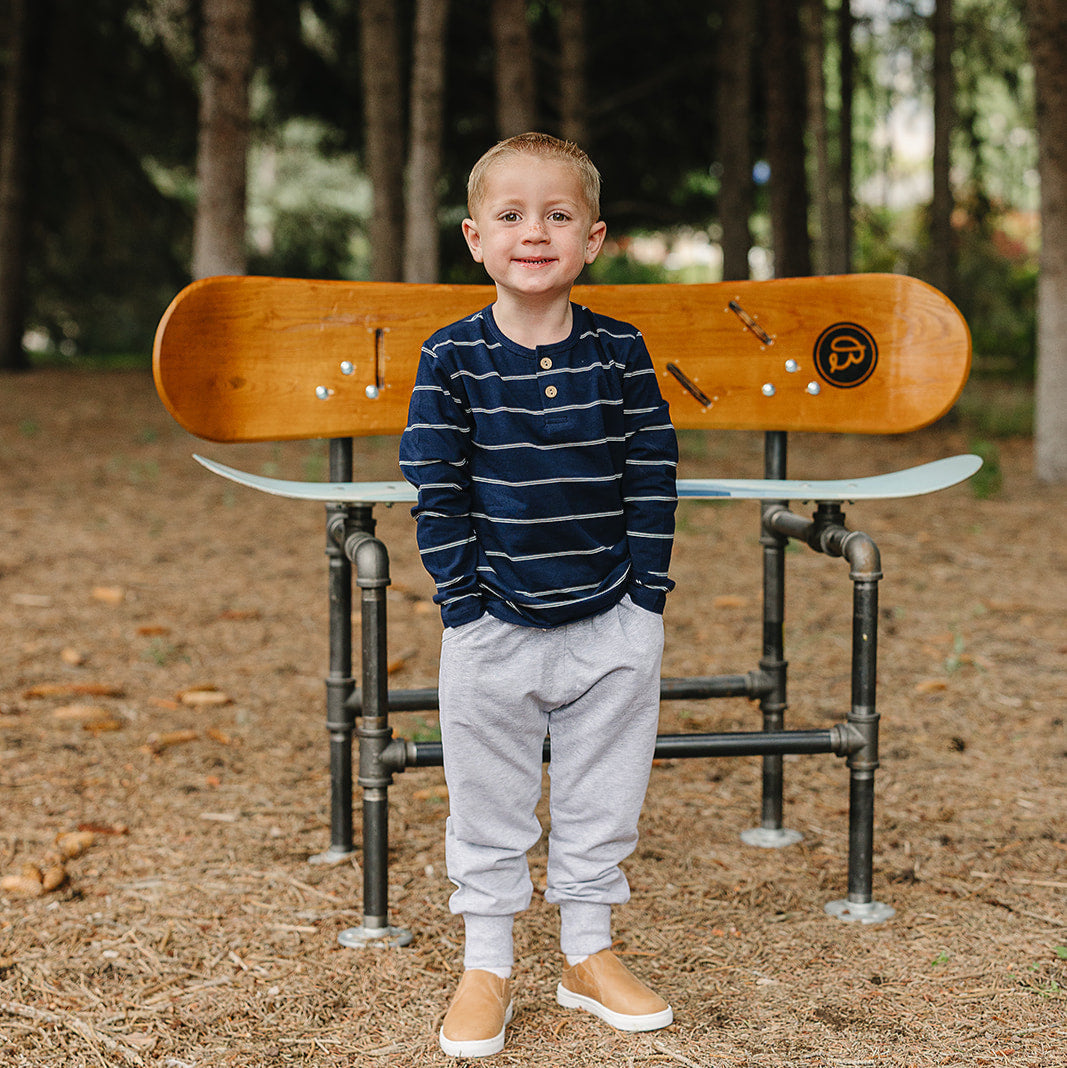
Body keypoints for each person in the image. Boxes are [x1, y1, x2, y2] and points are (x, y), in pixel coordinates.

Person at [399, 132, 678, 1058]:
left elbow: (650, 472)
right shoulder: (451, 360)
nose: (533, 231)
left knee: (604, 792)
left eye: (556, 215)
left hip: (610, 619)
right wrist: (464, 608)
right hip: (494, 627)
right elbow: (436, 491)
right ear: (475, 239)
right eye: (511, 216)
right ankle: (487, 963)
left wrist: (645, 604)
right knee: (488, 800)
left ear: (591, 239)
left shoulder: (619, 351)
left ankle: (587, 955)